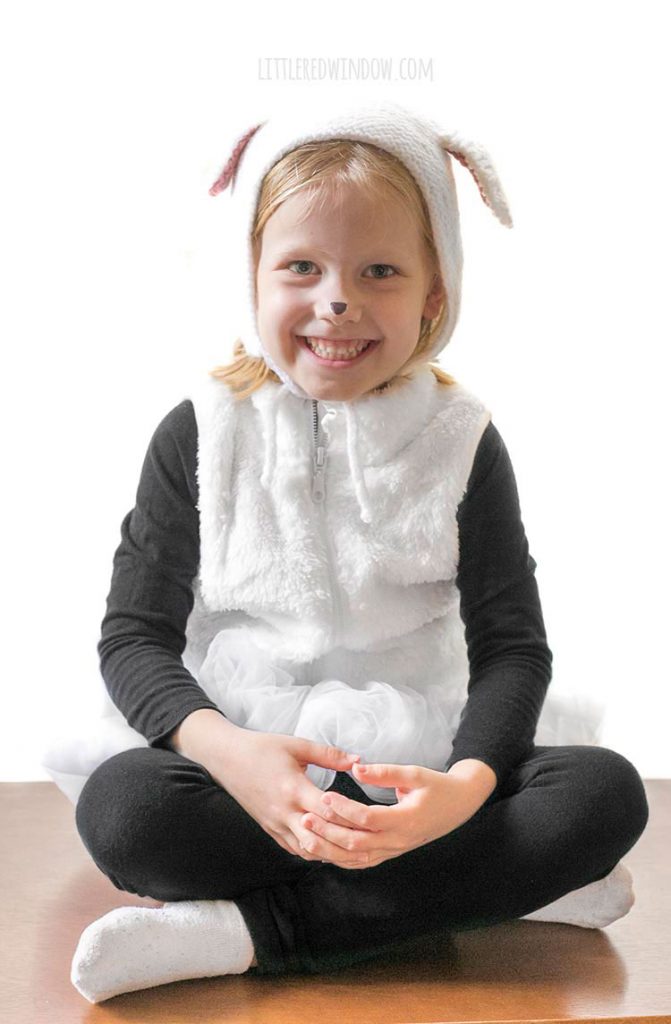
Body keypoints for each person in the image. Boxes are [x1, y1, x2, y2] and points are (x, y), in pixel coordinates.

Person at [70, 100, 649, 1004]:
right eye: (300, 267)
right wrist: (232, 755)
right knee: (128, 814)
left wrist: (460, 788)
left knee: (602, 795)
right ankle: (490, 890)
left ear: (431, 295)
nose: (335, 298)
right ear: (251, 281)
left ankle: (258, 935)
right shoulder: (200, 432)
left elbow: (513, 647)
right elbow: (132, 639)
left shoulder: (461, 441)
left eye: (378, 270)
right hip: (254, 769)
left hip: (416, 762)